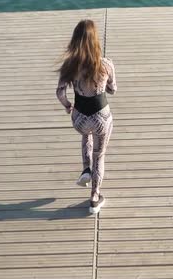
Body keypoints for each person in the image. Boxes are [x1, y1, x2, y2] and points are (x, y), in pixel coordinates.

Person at [56, 19, 117, 214]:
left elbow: (60, 93)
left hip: (80, 118)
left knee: (86, 134)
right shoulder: (106, 64)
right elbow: (113, 89)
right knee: (100, 154)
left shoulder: (70, 66)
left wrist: (68, 106)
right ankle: (94, 196)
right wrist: (104, 85)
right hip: (101, 117)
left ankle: (85, 170)